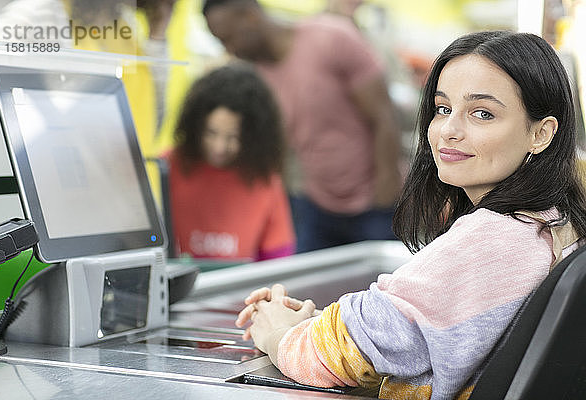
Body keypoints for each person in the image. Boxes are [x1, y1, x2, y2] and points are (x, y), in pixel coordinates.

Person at [234, 31, 586, 399]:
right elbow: (405, 336)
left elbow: (333, 356)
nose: (449, 131)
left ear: (541, 134)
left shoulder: (493, 238)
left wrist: (277, 331)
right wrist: (315, 324)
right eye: (443, 108)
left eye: (482, 114)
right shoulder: (553, 221)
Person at [203, 0, 403, 253]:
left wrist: (385, 190)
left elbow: (384, 115)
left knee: (380, 288)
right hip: (316, 205)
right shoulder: (258, 75)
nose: (229, 49)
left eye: (229, 38)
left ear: (250, 17)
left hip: (373, 205)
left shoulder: (330, 37)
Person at [168, 63, 295, 261]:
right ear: (196, 126)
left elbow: (278, 259)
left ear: (253, 137)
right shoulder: (168, 166)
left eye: (232, 138)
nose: (219, 147)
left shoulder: (264, 179)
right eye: (211, 133)